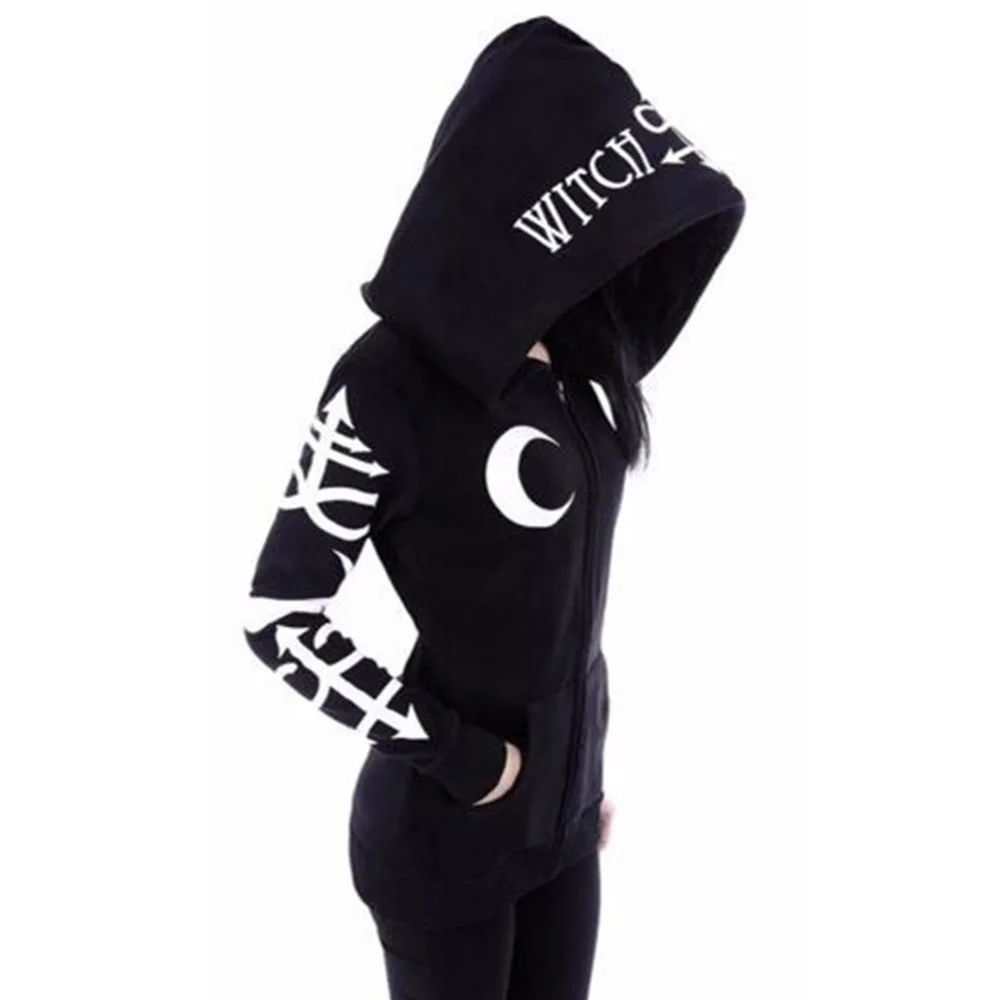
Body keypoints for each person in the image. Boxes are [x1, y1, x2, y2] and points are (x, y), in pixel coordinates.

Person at [242, 14, 745, 1000]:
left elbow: (560, 604)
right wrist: (467, 760)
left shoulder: (586, 353)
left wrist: (576, 775)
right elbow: (280, 618)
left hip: (565, 826)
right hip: (444, 833)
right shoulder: (386, 381)